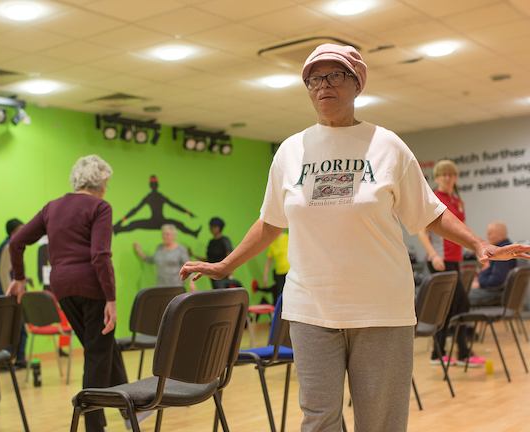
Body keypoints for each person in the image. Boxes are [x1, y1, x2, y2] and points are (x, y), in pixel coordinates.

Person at [179, 44, 530, 432]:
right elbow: (270, 222)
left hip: (381, 308)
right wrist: (225, 265)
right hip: (311, 307)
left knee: (380, 422)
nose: (323, 85)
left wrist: (478, 244)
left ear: (358, 83)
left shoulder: (387, 146)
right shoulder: (290, 152)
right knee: (319, 420)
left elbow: (429, 212)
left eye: (335, 75)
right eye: (314, 79)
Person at [7, 155, 130, 432]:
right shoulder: (100, 206)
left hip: (61, 287)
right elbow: (100, 255)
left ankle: (131, 407)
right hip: (92, 285)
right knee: (97, 352)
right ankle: (95, 425)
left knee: (102, 345)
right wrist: (111, 298)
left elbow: (16, 242)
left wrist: (19, 278)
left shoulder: (52, 207)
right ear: (101, 183)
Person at [417, 160, 481, 366]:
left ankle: (443, 353)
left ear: (455, 177)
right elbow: (422, 232)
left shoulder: (457, 200)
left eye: (450, 174)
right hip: (440, 261)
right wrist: (433, 255)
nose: (447, 178)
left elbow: (461, 230)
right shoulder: (434, 198)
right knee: (458, 304)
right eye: (442, 174)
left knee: (453, 306)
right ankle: (458, 352)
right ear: (436, 178)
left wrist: (477, 249)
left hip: (454, 260)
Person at [0, 218, 29, 369]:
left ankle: (18, 360)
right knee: (12, 330)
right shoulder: (9, 246)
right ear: (13, 232)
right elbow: (3, 274)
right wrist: (10, 296)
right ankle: (7, 362)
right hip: (9, 296)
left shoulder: (13, 245)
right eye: (21, 230)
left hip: (10, 295)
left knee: (17, 329)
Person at [469, 221, 517, 307]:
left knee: (461, 297)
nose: (487, 236)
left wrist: (480, 281)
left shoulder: (502, 251)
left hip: (497, 294)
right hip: (500, 292)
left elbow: (496, 281)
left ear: (500, 234)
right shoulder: (506, 248)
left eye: (490, 233)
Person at [191, 217, 234, 289]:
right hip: (212, 273)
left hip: (223, 274)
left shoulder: (225, 240)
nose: (211, 228)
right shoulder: (211, 242)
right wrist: (193, 255)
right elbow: (209, 259)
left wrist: (230, 273)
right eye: (211, 226)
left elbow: (230, 256)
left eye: (214, 226)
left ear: (219, 228)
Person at [262, 228, 289, 300]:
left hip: (289, 272)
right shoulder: (272, 243)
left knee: (290, 294)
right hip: (279, 274)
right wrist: (265, 277)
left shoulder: (287, 238)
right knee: (280, 296)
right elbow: (268, 262)